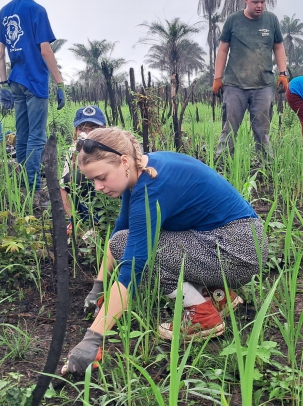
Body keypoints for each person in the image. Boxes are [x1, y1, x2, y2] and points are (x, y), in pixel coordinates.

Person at [63, 127, 268, 373]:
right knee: (123, 239)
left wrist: (92, 340)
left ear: (124, 161)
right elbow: (121, 228)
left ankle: (200, 313)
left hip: (236, 251)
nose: (97, 187)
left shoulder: (151, 188)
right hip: (234, 241)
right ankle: (218, 296)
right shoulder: (142, 170)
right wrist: (99, 287)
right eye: (92, 180)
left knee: (128, 247)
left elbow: (132, 267)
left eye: (102, 177)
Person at [0, 0, 66, 191]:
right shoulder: (37, 10)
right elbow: (45, 50)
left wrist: (3, 84)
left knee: (23, 134)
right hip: (35, 79)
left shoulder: (4, 11)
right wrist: (59, 82)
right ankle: (33, 187)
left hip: (15, 80)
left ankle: (22, 184)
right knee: (37, 135)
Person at [212, 0, 288, 162]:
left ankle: (265, 166)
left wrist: (283, 73)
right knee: (229, 129)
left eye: (262, 2)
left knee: (262, 131)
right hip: (234, 85)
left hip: (263, 85)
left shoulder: (271, 20)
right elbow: (223, 49)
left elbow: (279, 46)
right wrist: (217, 78)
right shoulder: (233, 20)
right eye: (255, 2)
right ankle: (222, 165)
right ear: (246, 1)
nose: (259, 5)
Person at [61, 105, 107, 236]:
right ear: (76, 130)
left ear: (103, 129)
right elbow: (63, 188)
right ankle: (82, 222)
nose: (87, 133)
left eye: (93, 128)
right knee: (73, 177)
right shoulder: (74, 149)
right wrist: (73, 219)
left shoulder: (111, 148)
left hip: (109, 202)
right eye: (82, 129)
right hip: (87, 204)